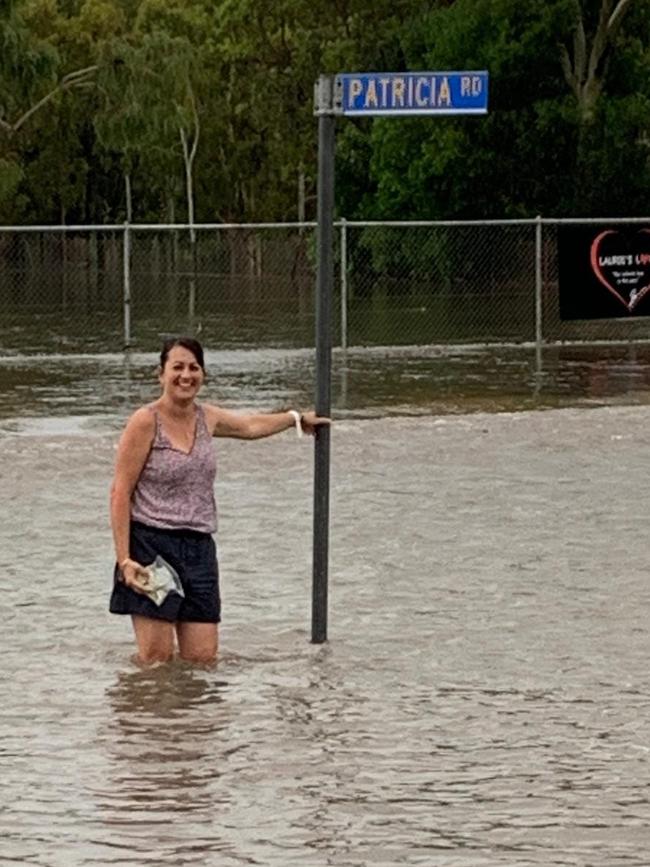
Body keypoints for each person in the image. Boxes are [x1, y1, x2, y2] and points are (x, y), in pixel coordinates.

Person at [109, 335, 330, 666]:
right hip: (151, 548)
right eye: (178, 367)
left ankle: (195, 720)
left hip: (199, 550)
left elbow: (250, 426)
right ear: (161, 374)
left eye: (194, 368)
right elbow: (120, 492)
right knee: (156, 661)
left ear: (203, 375)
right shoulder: (145, 421)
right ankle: (145, 719)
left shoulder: (206, 417)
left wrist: (296, 419)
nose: (186, 375)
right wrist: (125, 560)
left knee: (203, 660)